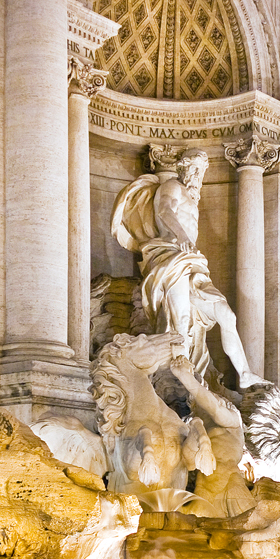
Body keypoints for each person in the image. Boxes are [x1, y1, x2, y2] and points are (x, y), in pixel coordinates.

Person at [112, 149, 264, 389]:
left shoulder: (193, 197)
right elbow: (164, 210)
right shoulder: (172, 186)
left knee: (226, 314)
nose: (197, 175)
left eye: (201, 171)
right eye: (193, 169)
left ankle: (244, 373)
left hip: (191, 260)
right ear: (182, 169)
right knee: (180, 320)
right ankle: (175, 384)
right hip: (172, 257)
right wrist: (180, 234)